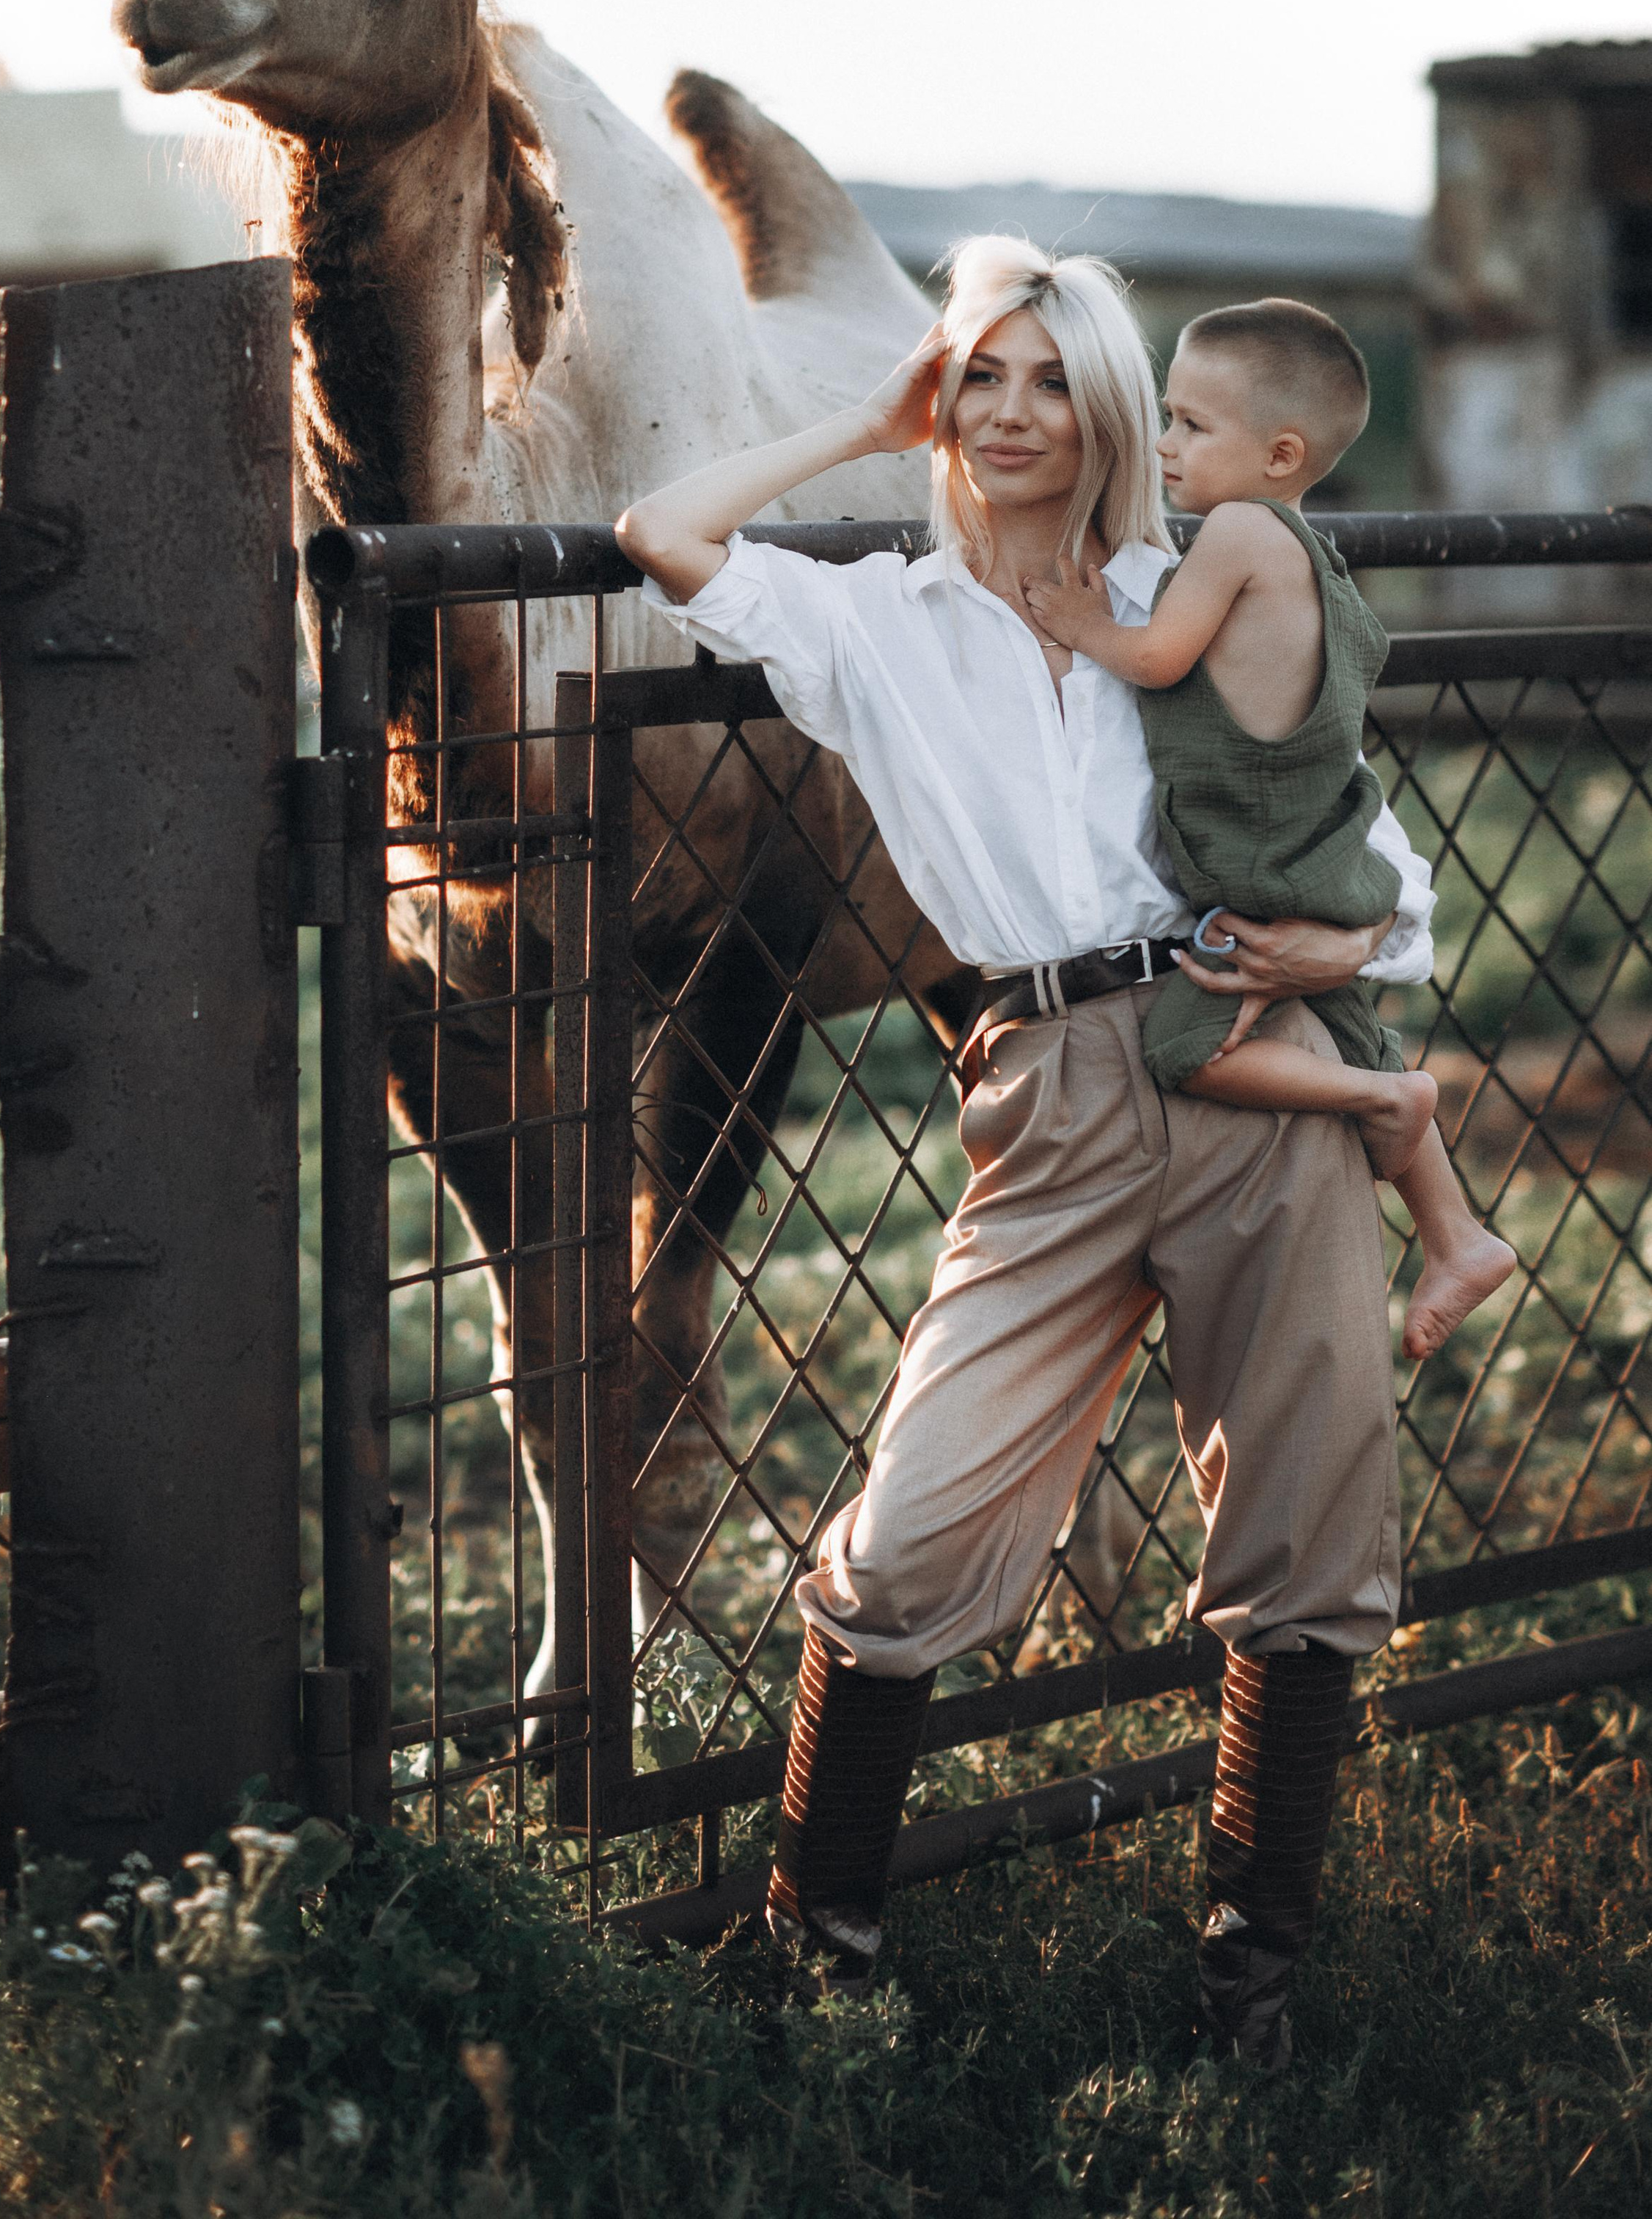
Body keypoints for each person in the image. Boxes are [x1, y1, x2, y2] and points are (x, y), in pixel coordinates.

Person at [614, 235, 1440, 2068]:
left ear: (1114, 410)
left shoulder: (1185, 592)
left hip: (1252, 1070)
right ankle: (816, 1955)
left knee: (1304, 1523)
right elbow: (661, 531)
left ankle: (1249, 1992)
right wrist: (863, 421)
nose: (1006, 412)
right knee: (907, 1536)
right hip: (1045, 1086)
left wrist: (1335, 948)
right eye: (976, 376)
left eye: (1049, 378)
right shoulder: (875, 623)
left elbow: (1374, 863)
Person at [1020, 298, 1516, 1364]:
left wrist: (1083, 623)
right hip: (1323, 851)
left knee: (1186, 1049)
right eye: (1167, 416)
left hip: (1270, 870)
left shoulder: (1241, 533)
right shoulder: (1312, 554)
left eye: (1192, 425)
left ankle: (1382, 1098)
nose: (1164, 443)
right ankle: (1457, 1236)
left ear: (1280, 455)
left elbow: (1159, 657)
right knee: (1355, 1020)